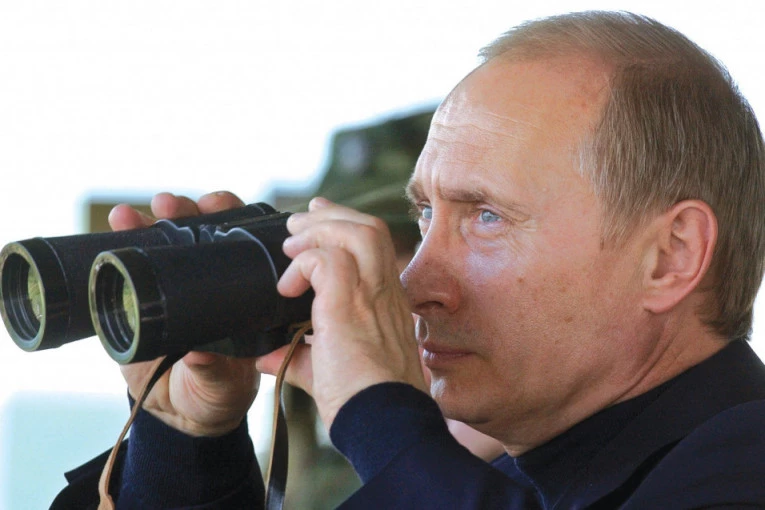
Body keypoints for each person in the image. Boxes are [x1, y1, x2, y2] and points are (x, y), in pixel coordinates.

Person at [53, 10, 765, 509]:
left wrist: (378, 412)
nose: (416, 280)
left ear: (669, 257)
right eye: (425, 214)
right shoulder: (513, 482)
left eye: (486, 216)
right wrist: (184, 444)